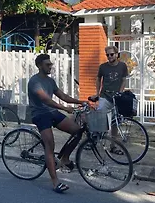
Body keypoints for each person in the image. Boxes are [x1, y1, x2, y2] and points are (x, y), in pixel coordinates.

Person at [28, 53, 86, 193]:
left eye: (51, 64)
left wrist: (81, 102)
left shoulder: (50, 81)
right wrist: (64, 108)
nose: (50, 67)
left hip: (51, 112)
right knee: (50, 146)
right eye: (47, 65)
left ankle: (65, 159)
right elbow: (46, 100)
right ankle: (55, 182)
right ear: (39, 66)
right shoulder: (34, 81)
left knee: (77, 131)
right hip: (40, 114)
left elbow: (63, 96)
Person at [91, 45, 128, 154]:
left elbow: (124, 80)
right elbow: (98, 79)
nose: (109, 56)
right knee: (101, 119)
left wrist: (120, 92)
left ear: (116, 54)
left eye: (111, 54)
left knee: (115, 123)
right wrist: (97, 93)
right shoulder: (103, 67)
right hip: (105, 96)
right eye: (107, 55)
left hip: (116, 98)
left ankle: (113, 146)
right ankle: (93, 139)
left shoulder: (122, 66)